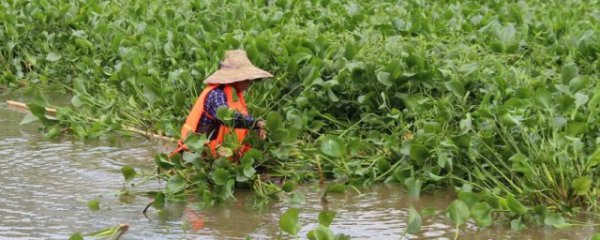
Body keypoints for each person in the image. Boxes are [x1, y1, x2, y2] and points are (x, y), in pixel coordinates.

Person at [170, 50, 272, 160]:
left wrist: (257, 129)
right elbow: (228, 117)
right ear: (236, 79)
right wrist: (256, 123)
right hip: (199, 154)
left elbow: (240, 119)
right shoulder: (216, 94)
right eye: (246, 79)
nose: (249, 82)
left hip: (221, 154)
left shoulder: (234, 94)